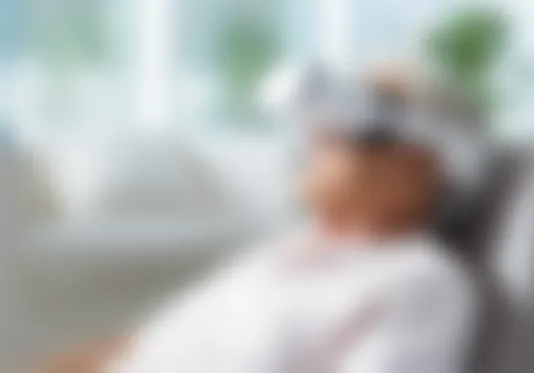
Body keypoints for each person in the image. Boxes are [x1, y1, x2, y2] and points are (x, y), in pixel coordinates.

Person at [104, 64, 483, 373]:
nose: (319, 138)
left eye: (352, 132)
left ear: (424, 166)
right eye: (322, 132)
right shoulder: (279, 257)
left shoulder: (418, 281)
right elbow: (147, 350)